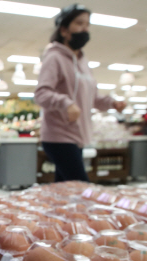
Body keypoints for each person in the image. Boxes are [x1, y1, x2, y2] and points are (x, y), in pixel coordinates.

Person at [34, 4, 126, 182]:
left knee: (64, 189)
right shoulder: (54, 57)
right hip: (59, 135)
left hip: (78, 136)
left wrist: (111, 103)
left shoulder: (83, 62)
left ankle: (54, 210)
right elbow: (41, 94)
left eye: (87, 24)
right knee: (81, 186)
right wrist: (66, 103)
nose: (85, 28)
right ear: (64, 30)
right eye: (79, 23)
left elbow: (93, 98)